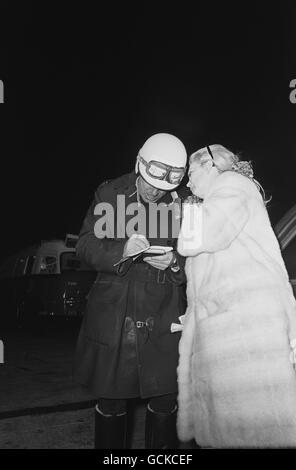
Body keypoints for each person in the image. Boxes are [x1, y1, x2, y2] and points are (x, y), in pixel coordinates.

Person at [74, 133, 189, 449]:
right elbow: (84, 245)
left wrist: (176, 263)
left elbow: (195, 258)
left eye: (166, 187)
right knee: (112, 403)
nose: (156, 192)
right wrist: (121, 250)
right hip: (115, 315)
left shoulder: (181, 205)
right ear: (139, 164)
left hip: (164, 316)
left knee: (166, 400)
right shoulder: (110, 193)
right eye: (151, 183)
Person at [177, 144, 296, 448]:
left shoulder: (231, 185)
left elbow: (197, 238)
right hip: (234, 322)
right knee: (238, 423)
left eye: (191, 174)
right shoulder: (229, 193)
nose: (187, 183)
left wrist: (186, 211)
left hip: (243, 327)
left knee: (250, 424)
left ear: (212, 166)